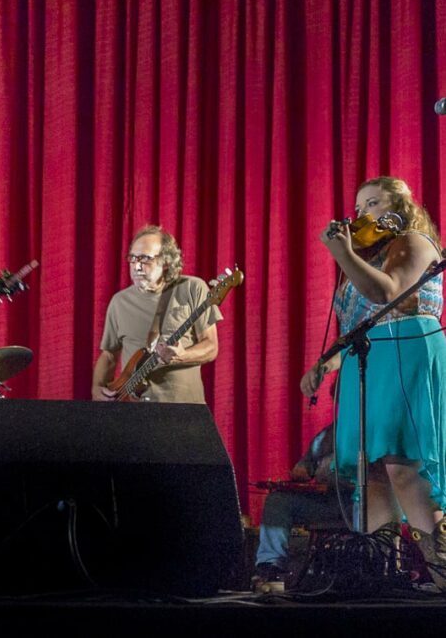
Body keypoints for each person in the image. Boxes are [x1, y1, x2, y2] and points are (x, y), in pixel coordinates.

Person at [300, 176, 446, 546]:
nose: (363, 213)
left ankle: (440, 570)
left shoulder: (411, 241)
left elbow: (388, 292)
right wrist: (326, 364)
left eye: (374, 203)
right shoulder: (368, 257)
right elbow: (361, 323)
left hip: (405, 352)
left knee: (403, 466)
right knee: (374, 469)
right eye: (359, 207)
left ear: (400, 208)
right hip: (367, 359)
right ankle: (383, 574)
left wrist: (342, 253)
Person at [92, 225, 221, 403]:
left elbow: (211, 346)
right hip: (132, 411)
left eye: (145, 259)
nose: (137, 266)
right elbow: (108, 356)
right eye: (133, 258)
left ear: (166, 262)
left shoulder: (192, 288)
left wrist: (181, 356)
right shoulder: (119, 302)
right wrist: (96, 388)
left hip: (183, 409)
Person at [252, 423, 353, 590]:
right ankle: (271, 566)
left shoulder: (370, 429)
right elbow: (306, 465)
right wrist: (301, 471)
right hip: (327, 502)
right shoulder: (326, 435)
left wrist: (338, 482)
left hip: (357, 502)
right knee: (277, 500)